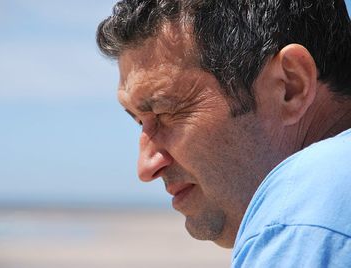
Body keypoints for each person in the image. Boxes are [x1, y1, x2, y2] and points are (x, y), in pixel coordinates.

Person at [96, 0, 351, 266]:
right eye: (140, 122)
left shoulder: (307, 217)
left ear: (289, 86)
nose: (146, 167)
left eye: (164, 114)